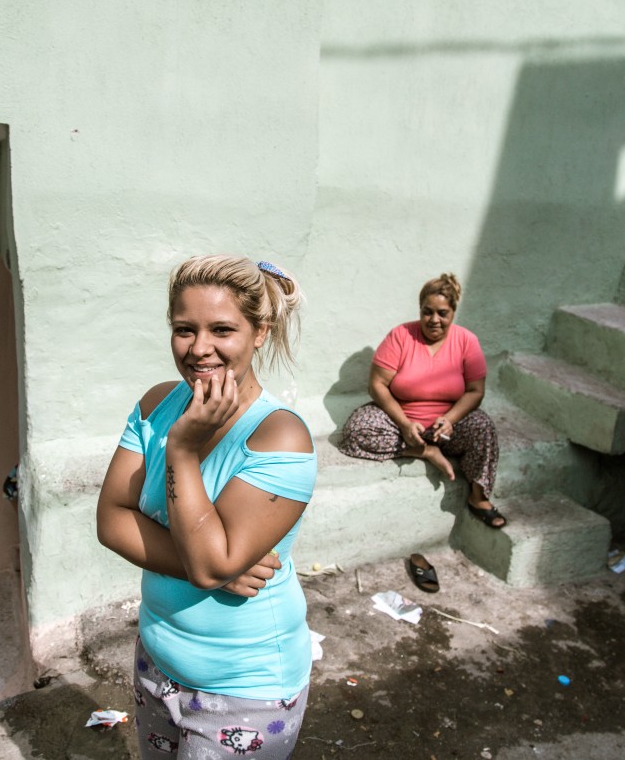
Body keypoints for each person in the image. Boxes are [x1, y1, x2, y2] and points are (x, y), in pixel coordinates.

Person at [96, 254, 317, 758]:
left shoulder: (279, 435)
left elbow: (208, 561)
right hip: (157, 662)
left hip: (246, 687)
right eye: (183, 329)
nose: (199, 349)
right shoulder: (157, 404)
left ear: (259, 333)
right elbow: (111, 520)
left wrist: (182, 448)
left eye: (222, 329)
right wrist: (216, 569)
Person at [338, 273, 504, 528]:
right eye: (427, 312)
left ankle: (478, 497)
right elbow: (377, 385)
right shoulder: (401, 336)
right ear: (420, 310)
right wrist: (404, 424)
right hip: (402, 424)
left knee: (483, 428)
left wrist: (450, 420)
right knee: (356, 429)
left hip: (447, 428)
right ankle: (425, 451)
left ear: (453, 312)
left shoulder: (466, 341)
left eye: (442, 313)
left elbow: (475, 391)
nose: (434, 320)